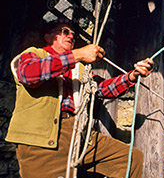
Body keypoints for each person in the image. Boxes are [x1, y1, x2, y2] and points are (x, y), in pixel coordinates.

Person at [6, 22, 154, 178]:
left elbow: (103, 88)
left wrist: (132, 76)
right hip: (40, 140)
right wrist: (78, 55)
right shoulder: (34, 54)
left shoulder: (79, 69)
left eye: (73, 35)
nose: (71, 36)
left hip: (79, 135)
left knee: (131, 158)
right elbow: (29, 74)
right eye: (65, 32)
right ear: (48, 37)